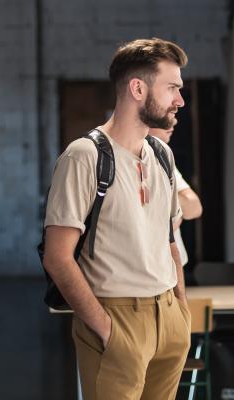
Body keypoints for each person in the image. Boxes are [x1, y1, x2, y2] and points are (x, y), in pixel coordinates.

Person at [42, 38, 191, 400]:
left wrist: (180, 313)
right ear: (138, 88)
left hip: (168, 316)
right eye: (172, 88)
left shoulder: (162, 155)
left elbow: (169, 239)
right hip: (115, 317)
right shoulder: (84, 157)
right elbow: (57, 257)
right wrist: (106, 329)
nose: (180, 100)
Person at [149, 126, 203, 267]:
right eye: (166, 113)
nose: (173, 122)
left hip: (172, 263)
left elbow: (194, 207)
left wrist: (167, 202)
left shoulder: (162, 157)